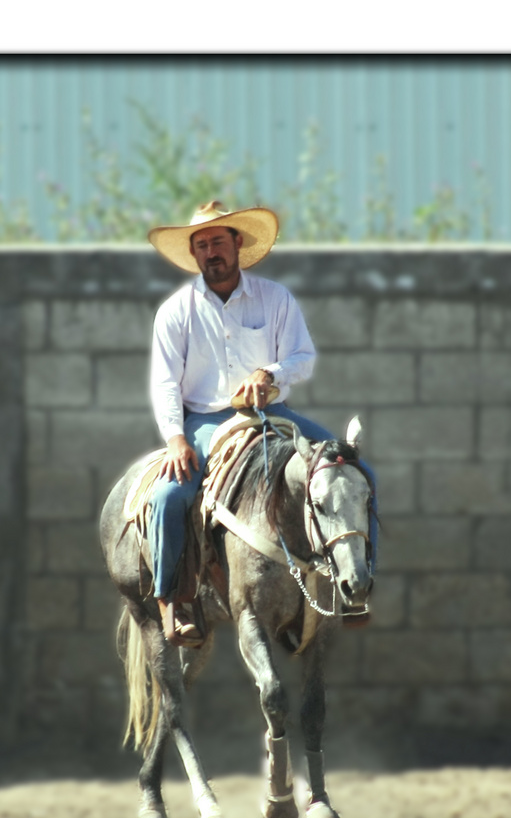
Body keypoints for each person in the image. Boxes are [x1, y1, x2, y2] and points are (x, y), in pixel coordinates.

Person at [145, 200, 374, 645]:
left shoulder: (275, 298)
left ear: (237, 244)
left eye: (219, 241)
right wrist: (175, 438)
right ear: (194, 254)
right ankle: (170, 600)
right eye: (202, 244)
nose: (212, 251)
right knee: (170, 495)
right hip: (207, 420)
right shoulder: (176, 312)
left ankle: (356, 586)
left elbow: (301, 358)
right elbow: (165, 384)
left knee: (356, 473)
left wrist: (270, 373)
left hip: (273, 414)